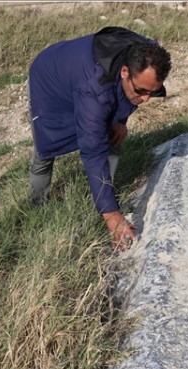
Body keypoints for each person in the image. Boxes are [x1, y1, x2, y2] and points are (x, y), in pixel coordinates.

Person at [28, 26, 171, 251]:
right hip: (49, 79)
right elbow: (93, 150)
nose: (145, 99)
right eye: (141, 91)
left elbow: (126, 97)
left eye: (152, 92)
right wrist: (112, 216)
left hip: (79, 73)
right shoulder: (94, 89)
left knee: (112, 136)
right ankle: (37, 206)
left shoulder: (147, 55)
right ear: (125, 71)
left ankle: (106, 190)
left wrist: (120, 121)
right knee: (45, 146)